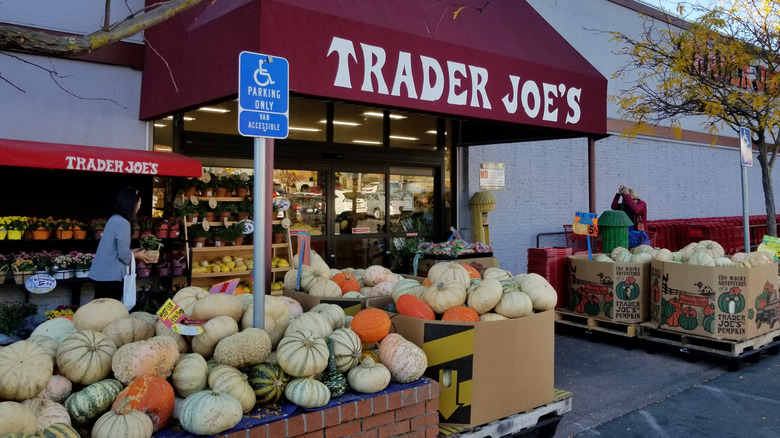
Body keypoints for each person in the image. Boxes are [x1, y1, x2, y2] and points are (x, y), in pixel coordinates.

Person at [88, 187, 154, 301]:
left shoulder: (114, 219)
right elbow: (123, 255)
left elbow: (114, 249)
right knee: (111, 310)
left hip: (103, 274)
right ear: (132, 204)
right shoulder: (123, 223)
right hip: (111, 277)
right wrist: (137, 256)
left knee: (100, 309)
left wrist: (134, 251)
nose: (139, 206)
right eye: (139, 203)